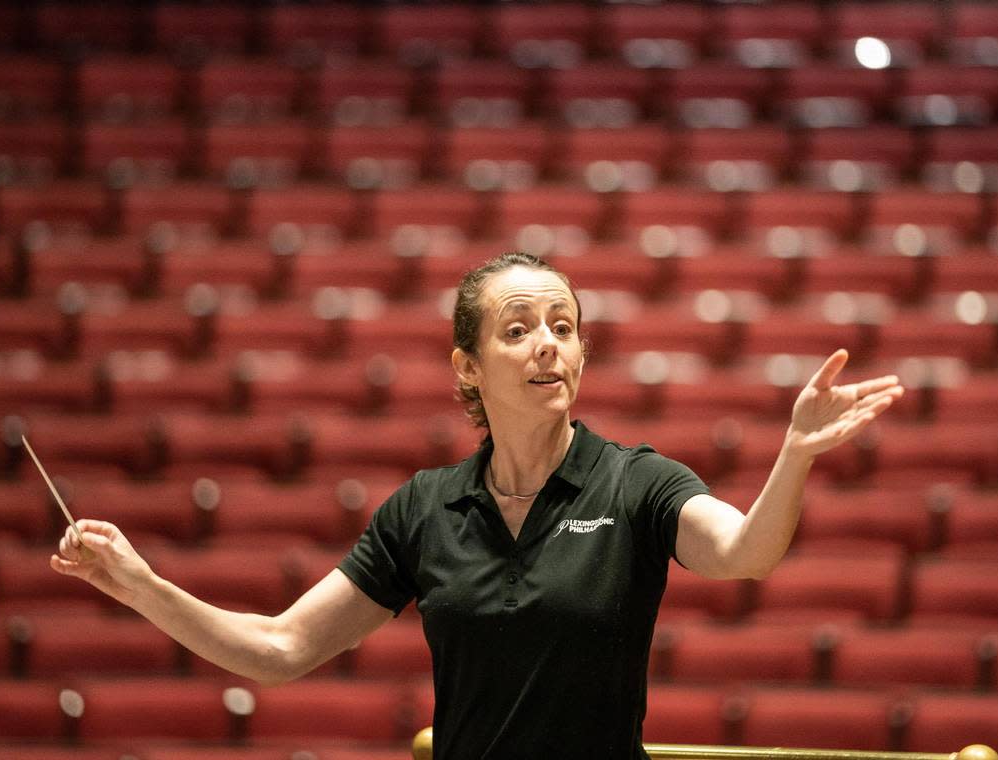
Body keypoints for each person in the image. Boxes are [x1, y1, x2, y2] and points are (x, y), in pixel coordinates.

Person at [51, 252, 904, 759]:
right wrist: (138, 584)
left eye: (565, 327)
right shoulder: (424, 508)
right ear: (468, 365)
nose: (549, 345)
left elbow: (745, 551)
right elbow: (279, 649)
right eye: (520, 328)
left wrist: (792, 456)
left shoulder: (637, 482)